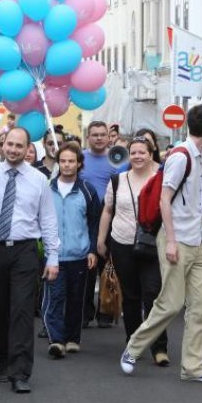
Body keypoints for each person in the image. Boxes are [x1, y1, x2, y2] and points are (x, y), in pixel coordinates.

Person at [120, 104, 202, 384]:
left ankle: (193, 367)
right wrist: (171, 242)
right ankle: (133, 348)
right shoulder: (180, 156)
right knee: (171, 303)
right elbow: (165, 198)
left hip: (199, 239)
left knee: (200, 307)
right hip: (177, 238)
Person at [0, 120, 59, 394]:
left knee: (22, 311)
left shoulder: (39, 180)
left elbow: (49, 220)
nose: (14, 149)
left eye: (19, 145)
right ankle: (1, 358)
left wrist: (53, 258)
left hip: (25, 251)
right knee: (1, 308)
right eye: (10, 144)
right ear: (2, 146)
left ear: (29, 149)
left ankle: (20, 371)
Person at [97, 136, 169, 365]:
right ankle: (133, 344)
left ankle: (159, 347)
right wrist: (101, 240)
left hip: (152, 244)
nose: (138, 156)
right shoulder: (117, 180)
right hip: (122, 243)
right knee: (130, 296)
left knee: (153, 294)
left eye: (142, 152)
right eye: (134, 153)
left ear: (151, 153)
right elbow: (108, 210)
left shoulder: (162, 178)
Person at [43, 143, 99, 358]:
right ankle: (56, 340)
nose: (67, 165)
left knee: (76, 298)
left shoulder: (87, 190)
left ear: (79, 164)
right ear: (58, 163)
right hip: (54, 256)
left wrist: (92, 249)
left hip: (79, 254)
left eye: (71, 161)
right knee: (55, 298)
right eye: (63, 161)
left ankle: (73, 338)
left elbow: (94, 222)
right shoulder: (47, 188)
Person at [80, 121, 122, 329]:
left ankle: (105, 311)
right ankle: (85, 313)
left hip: (111, 218)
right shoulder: (80, 159)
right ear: (88, 137)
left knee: (108, 265)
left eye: (102, 135)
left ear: (109, 138)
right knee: (87, 267)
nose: (98, 138)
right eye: (94, 134)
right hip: (85, 219)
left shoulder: (118, 160)